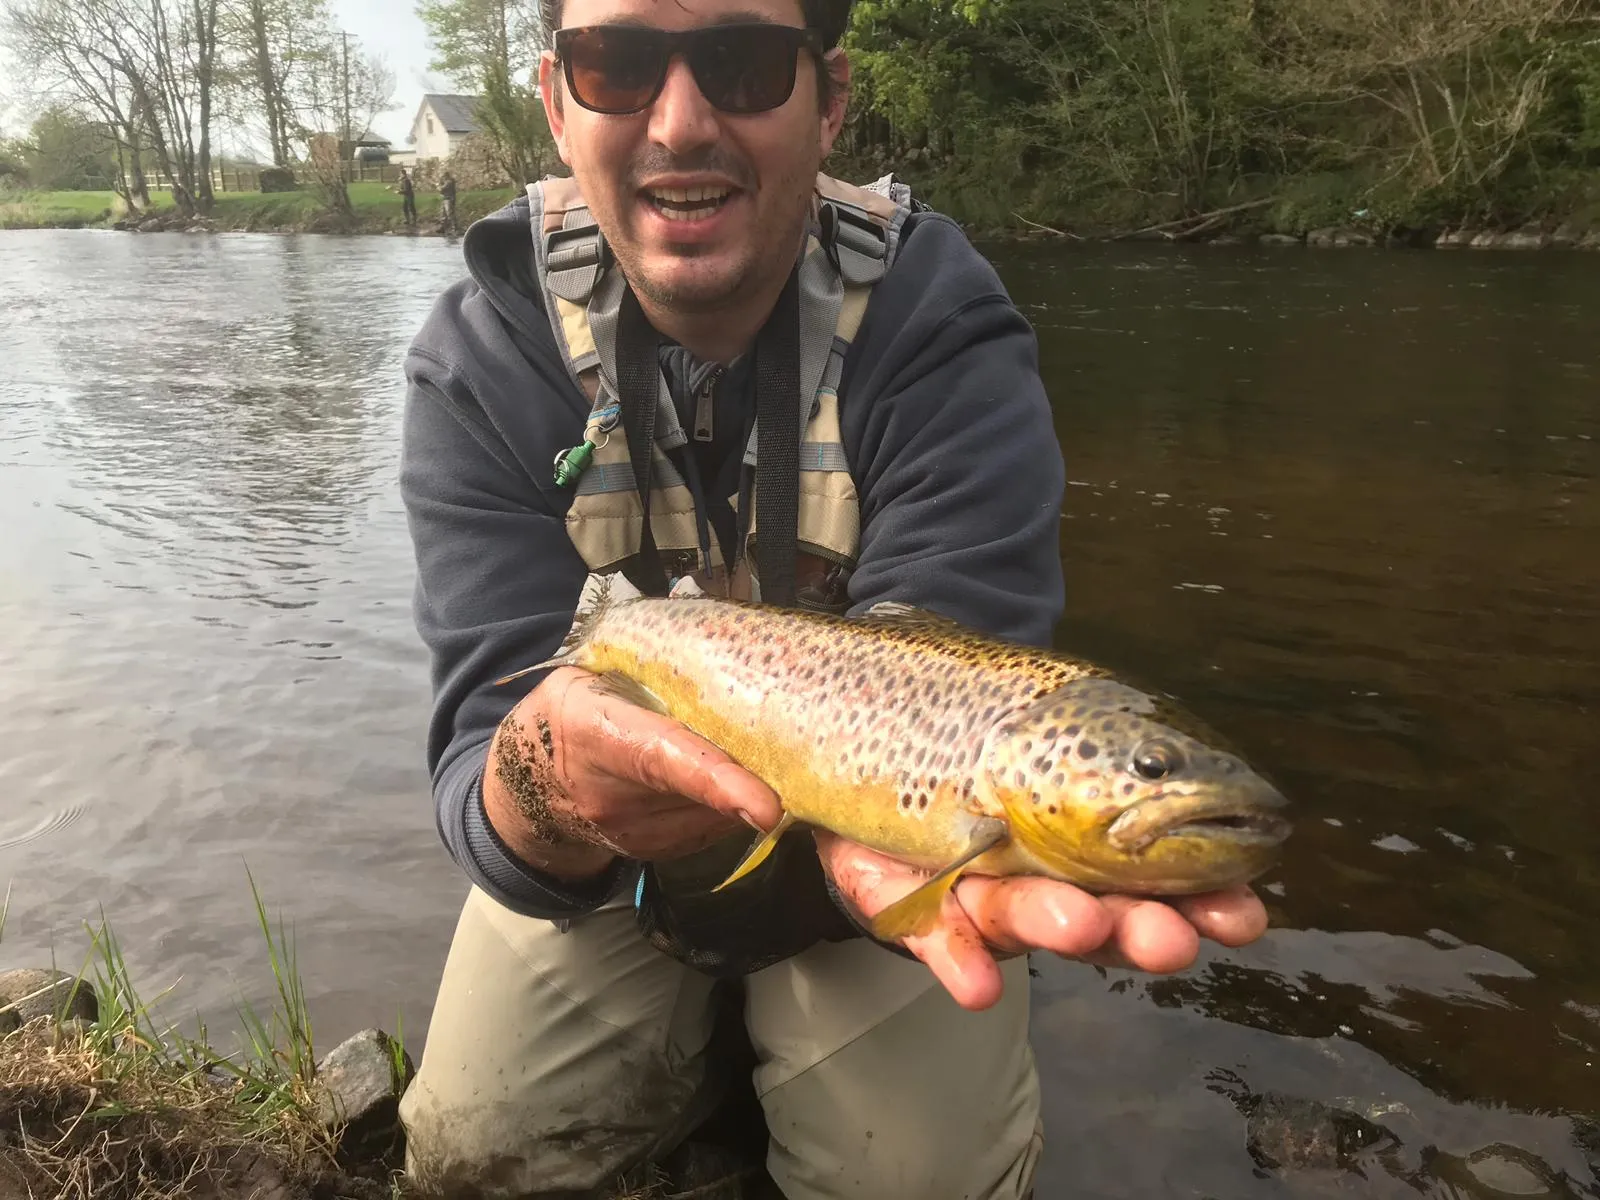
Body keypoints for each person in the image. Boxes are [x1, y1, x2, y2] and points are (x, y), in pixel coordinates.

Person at [394, 0, 1270, 1197]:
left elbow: (963, 650)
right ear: (556, 101)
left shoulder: (940, 326)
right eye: (618, 64)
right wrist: (545, 771)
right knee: (465, 1152)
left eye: (745, 62)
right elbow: (478, 802)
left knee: (913, 1179)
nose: (681, 120)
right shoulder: (480, 355)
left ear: (832, 97)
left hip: (877, 860)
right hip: (605, 856)